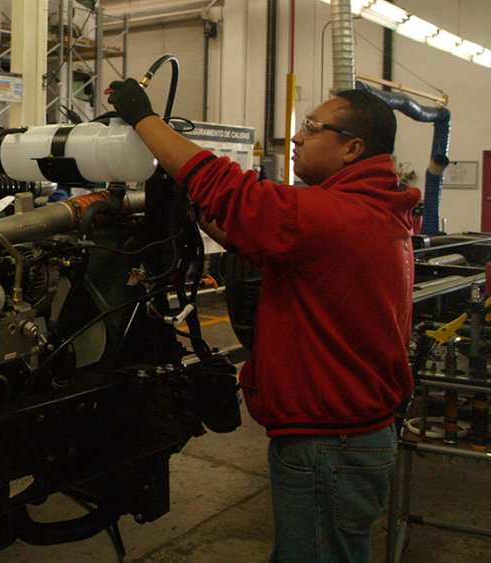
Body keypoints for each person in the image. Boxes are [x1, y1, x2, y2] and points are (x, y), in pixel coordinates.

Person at [107, 79, 419, 563]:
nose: (295, 138)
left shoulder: (336, 214)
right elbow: (251, 236)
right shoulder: (372, 210)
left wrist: (144, 118)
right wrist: (192, 208)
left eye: (312, 128)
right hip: (345, 437)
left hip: (328, 445)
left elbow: (234, 192)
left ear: (351, 148)